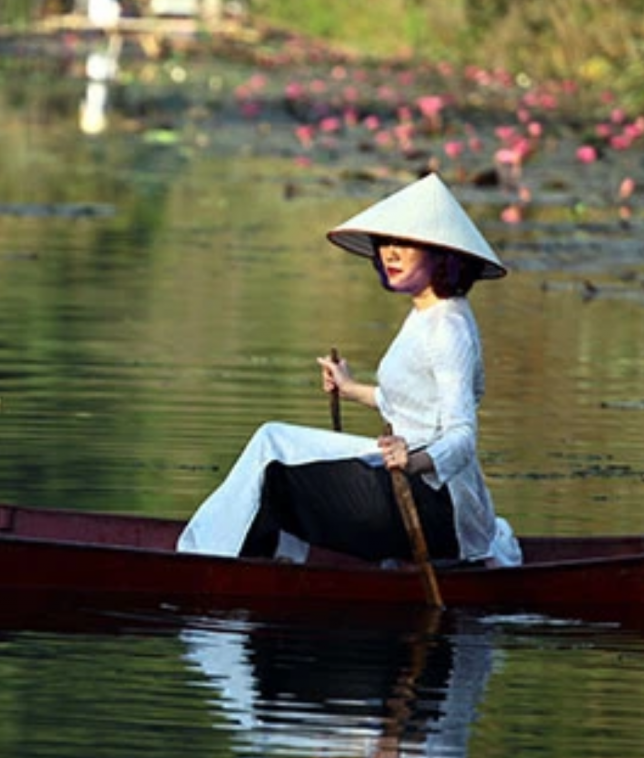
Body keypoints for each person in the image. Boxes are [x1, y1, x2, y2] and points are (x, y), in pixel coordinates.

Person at [177, 173, 521, 568]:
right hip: (406, 480)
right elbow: (410, 403)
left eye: (405, 244)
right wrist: (350, 387)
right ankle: (243, 560)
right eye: (386, 243)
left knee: (273, 460)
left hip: (436, 504)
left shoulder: (448, 328)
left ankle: (209, 563)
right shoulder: (424, 313)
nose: (390, 254)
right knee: (272, 448)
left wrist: (414, 460)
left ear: (440, 255)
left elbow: (462, 437)